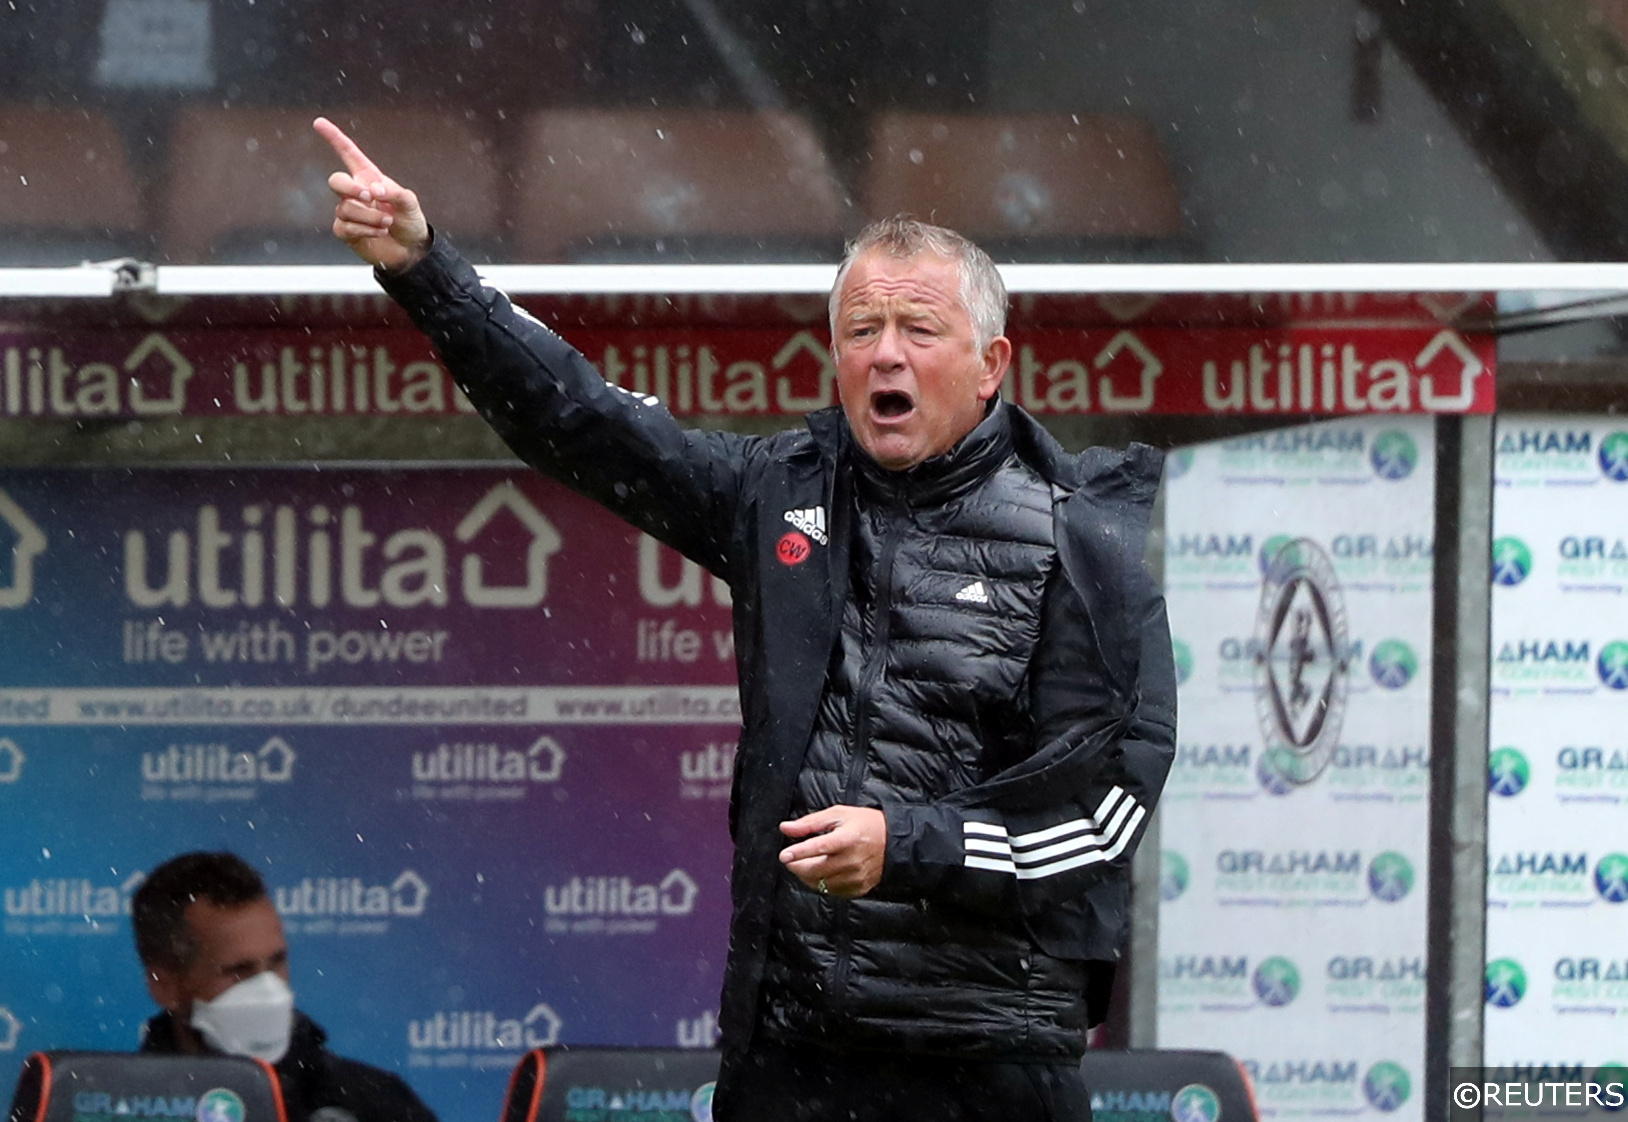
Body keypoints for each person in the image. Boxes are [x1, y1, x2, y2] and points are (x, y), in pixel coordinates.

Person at [314, 116, 1177, 1122]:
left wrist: (905, 847)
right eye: (860, 332)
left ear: (989, 364)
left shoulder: (1084, 542)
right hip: (790, 1054)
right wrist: (426, 270)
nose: (882, 356)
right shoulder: (778, 493)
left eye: (916, 332)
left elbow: (1099, 824)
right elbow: (581, 418)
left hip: (985, 1064)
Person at [132, 851, 439, 1122]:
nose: (268, 990)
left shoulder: (372, 1104)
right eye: (238, 971)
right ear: (165, 987)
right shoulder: (118, 1105)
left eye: (277, 962)